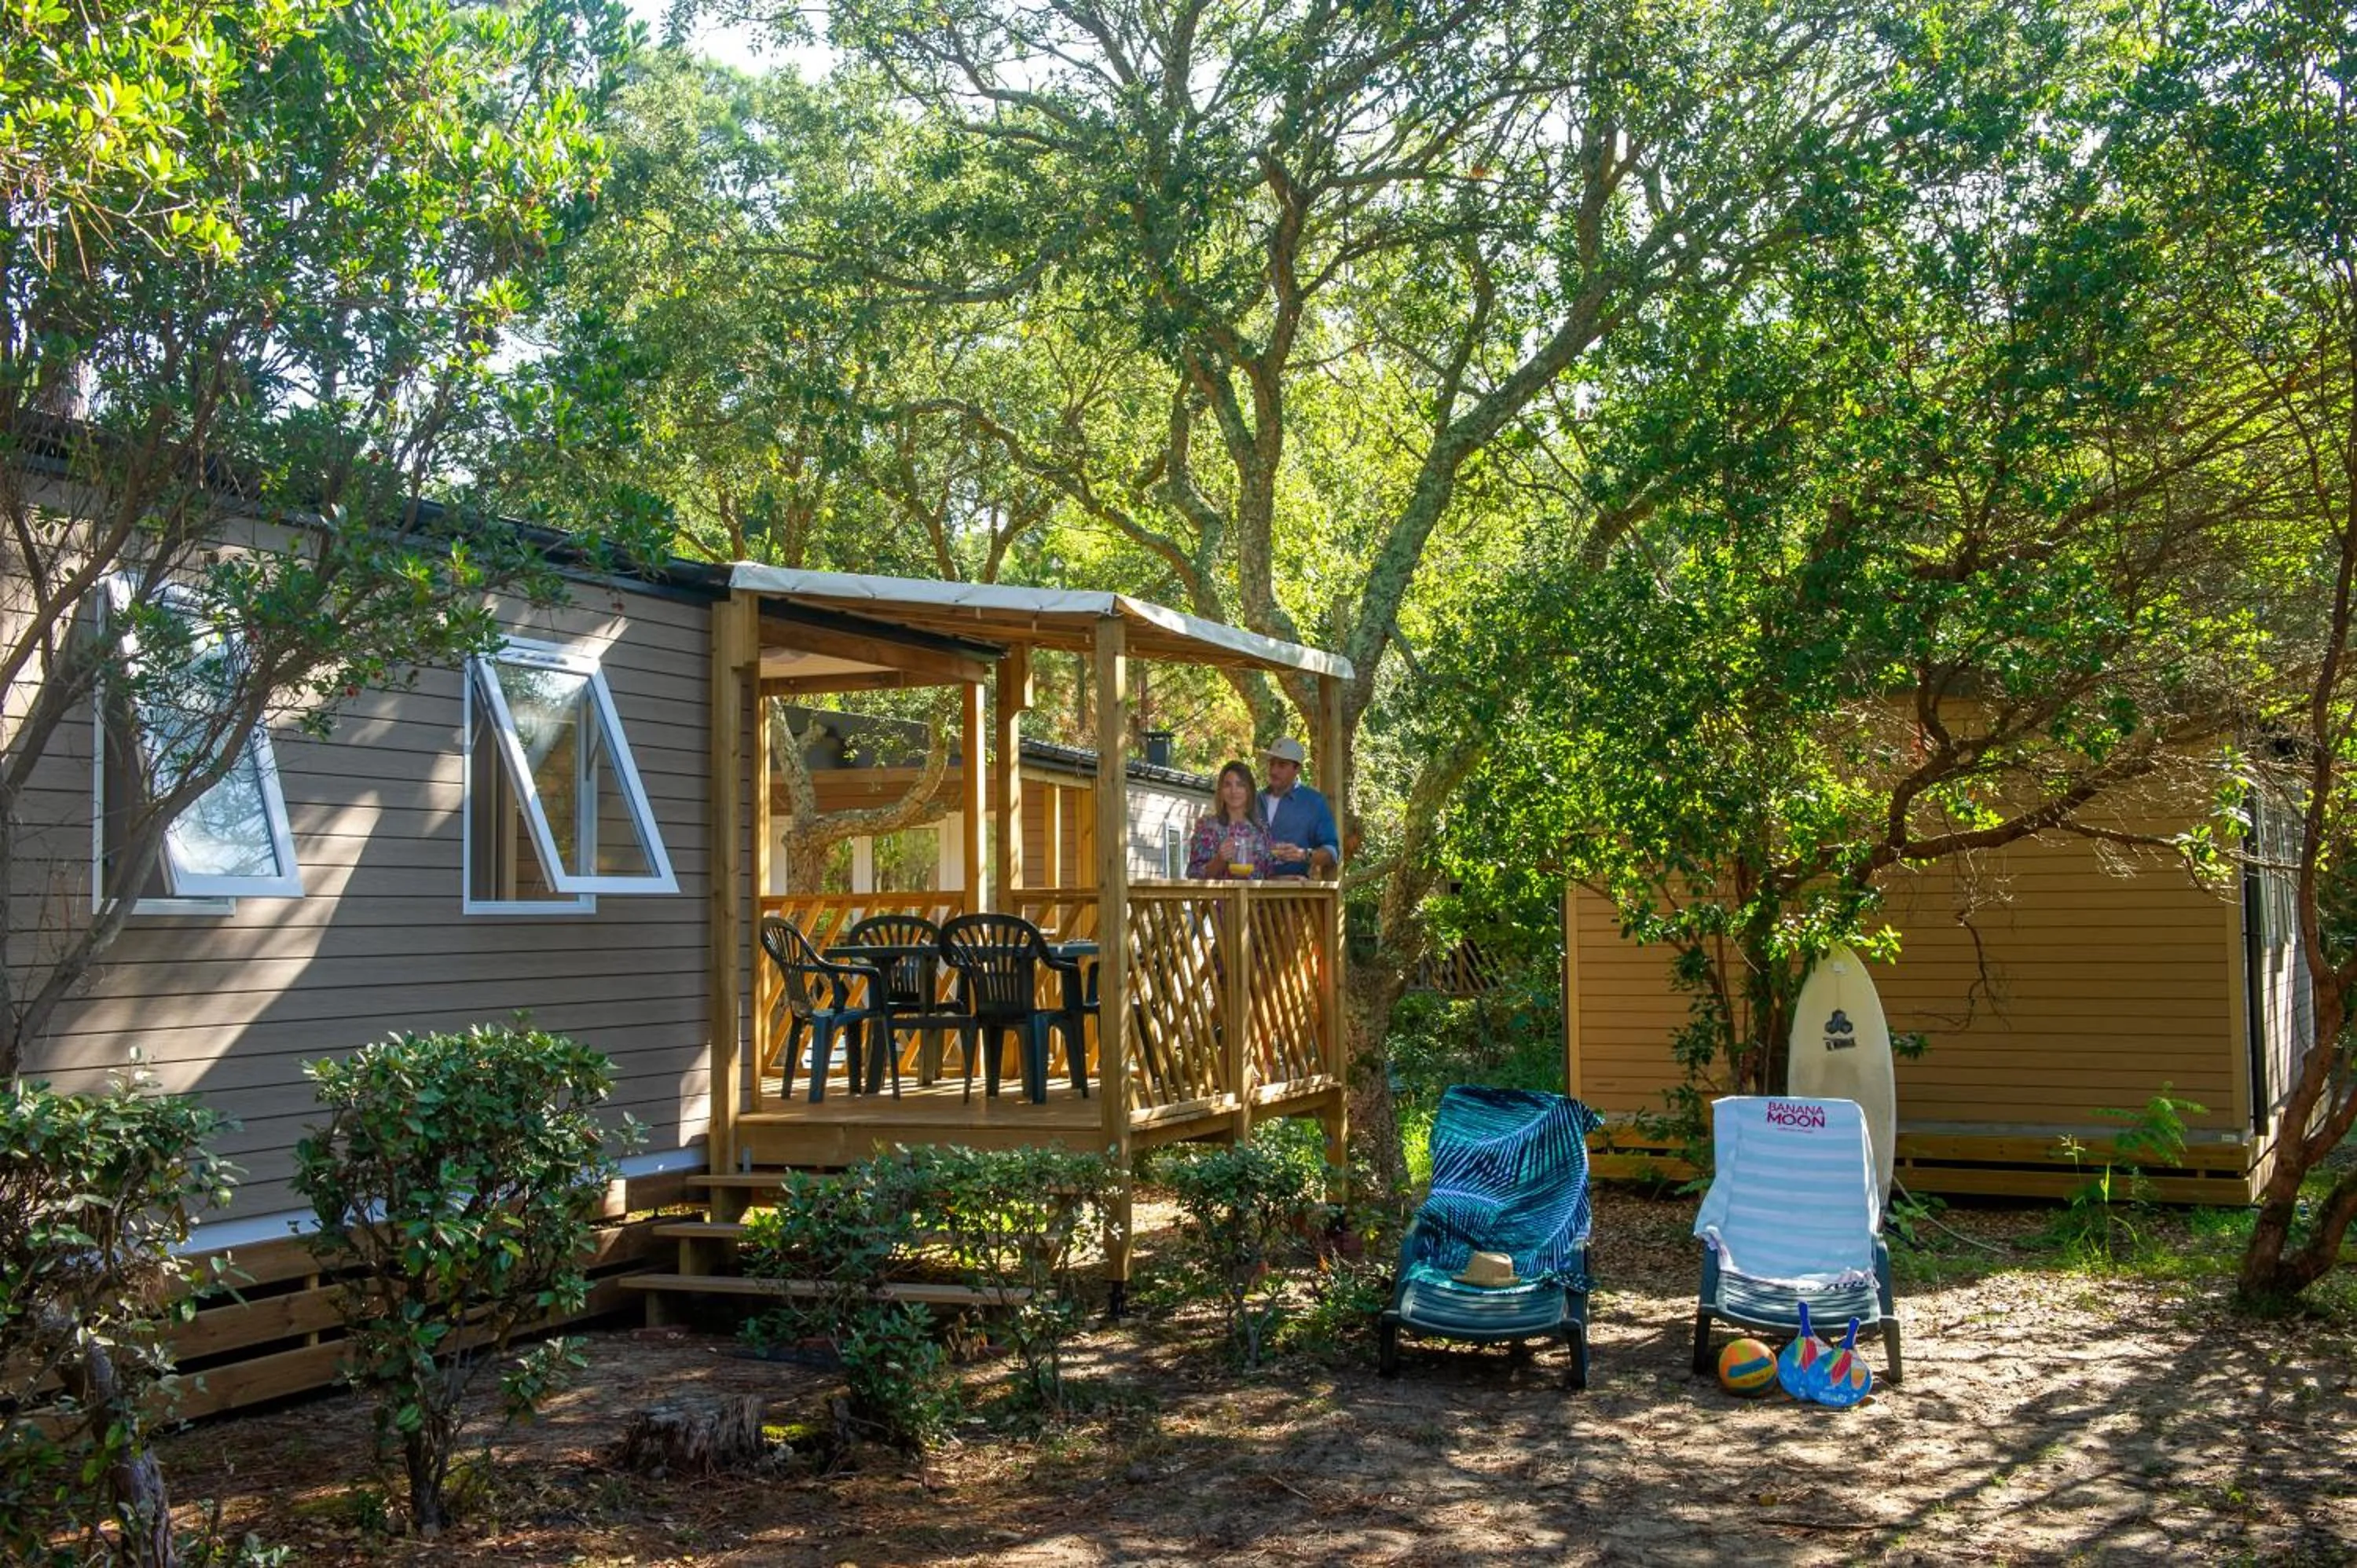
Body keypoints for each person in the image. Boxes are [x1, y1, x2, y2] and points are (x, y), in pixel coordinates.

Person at [1258, 737, 1340, 878]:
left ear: (1298, 769)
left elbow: (1332, 851)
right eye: (1272, 764)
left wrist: (1304, 855)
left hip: (1292, 894)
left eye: (1282, 765)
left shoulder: (1313, 803)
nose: (1274, 771)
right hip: (1250, 892)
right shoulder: (1255, 800)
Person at [1186, 760, 1274, 879]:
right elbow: (1193, 876)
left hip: (1253, 898)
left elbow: (1269, 877)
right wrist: (1219, 860)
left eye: (1240, 785)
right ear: (1221, 791)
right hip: (1219, 897)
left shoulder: (1261, 830)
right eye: (1228, 785)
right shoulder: (1207, 827)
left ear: (1249, 790)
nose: (1234, 791)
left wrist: (1291, 880)